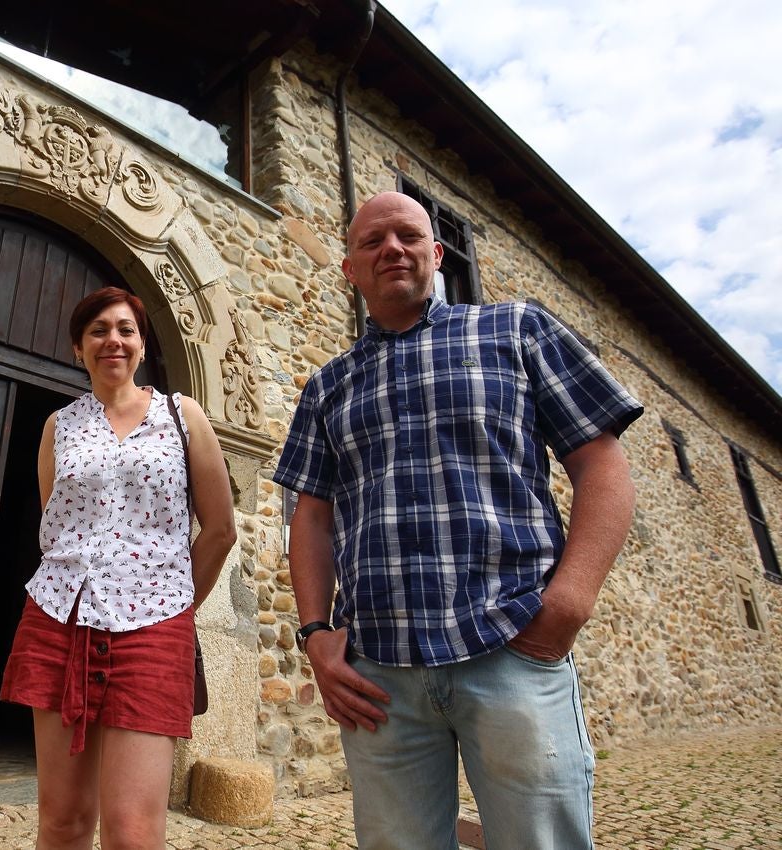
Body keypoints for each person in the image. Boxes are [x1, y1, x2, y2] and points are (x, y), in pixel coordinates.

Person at [274, 192, 643, 850]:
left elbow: (603, 466)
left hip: (513, 646)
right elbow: (312, 517)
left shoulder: (517, 331)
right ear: (348, 270)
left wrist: (571, 599)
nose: (392, 248)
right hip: (377, 675)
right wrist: (314, 633)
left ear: (437, 256)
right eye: (372, 242)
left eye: (409, 236)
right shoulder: (327, 386)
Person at [1, 286, 236, 850]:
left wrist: (172, 607)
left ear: (141, 343)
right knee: (62, 821)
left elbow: (220, 529)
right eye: (99, 330)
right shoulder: (59, 426)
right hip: (58, 618)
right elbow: (55, 529)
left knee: (132, 832)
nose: (114, 340)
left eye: (126, 329)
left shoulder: (182, 416)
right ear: (78, 348)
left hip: (153, 629)